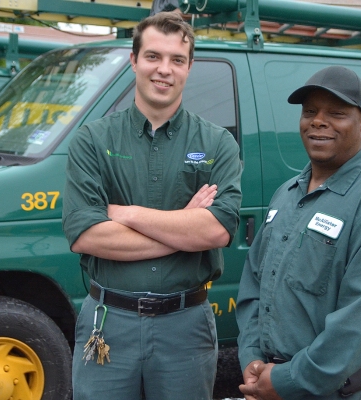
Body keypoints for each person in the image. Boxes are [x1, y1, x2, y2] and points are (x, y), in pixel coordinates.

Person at [62, 11, 242, 400]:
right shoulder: (92, 140)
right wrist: (185, 227)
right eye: (153, 57)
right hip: (108, 324)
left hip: (186, 328)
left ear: (190, 67)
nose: (165, 70)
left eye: (177, 60)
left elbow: (216, 230)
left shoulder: (217, 143)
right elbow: (87, 235)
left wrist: (126, 214)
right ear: (134, 60)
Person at [235, 66, 361, 400]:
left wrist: (288, 380)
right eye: (310, 112)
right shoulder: (287, 195)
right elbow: (254, 284)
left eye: (336, 113)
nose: (318, 122)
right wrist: (251, 356)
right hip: (274, 382)